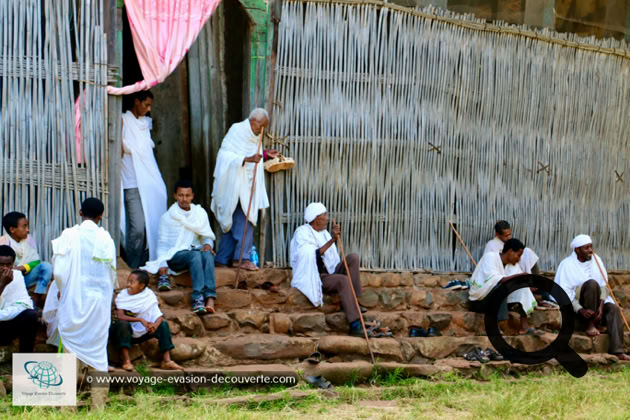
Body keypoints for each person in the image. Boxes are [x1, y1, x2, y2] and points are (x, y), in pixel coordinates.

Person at [42, 198, 117, 372]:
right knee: (98, 351)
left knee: (70, 346)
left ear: (80, 213)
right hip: (99, 302)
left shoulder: (69, 235)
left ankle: (69, 398)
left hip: (74, 300)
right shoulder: (107, 239)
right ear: (101, 216)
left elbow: (60, 272)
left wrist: (62, 290)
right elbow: (111, 274)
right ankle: (99, 398)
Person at [211, 108, 279, 271]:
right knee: (241, 221)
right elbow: (225, 155)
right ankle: (241, 259)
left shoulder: (255, 136)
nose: (262, 131)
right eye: (261, 126)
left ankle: (222, 259)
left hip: (247, 186)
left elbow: (251, 153)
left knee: (235, 222)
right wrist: (247, 159)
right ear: (253, 121)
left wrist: (264, 153)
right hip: (232, 185)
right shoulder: (237, 130)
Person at [290, 203, 371, 337]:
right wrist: (333, 239)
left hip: (331, 272)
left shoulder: (324, 233)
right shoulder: (302, 232)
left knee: (353, 258)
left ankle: (354, 302)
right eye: (324, 215)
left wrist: (332, 238)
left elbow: (331, 259)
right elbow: (311, 255)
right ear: (316, 219)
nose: (327, 218)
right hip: (317, 276)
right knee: (343, 281)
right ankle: (355, 325)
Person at [143, 180, 217, 314]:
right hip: (176, 255)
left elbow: (207, 235)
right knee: (195, 255)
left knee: (207, 253)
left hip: (196, 250)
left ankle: (210, 298)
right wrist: (163, 263)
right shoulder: (167, 217)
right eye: (181, 195)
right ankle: (198, 298)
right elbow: (163, 244)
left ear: (193, 196)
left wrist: (207, 244)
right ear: (175, 196)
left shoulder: (200, 213)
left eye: (187, 195)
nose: (184, 199)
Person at [554, 234, 630, 360]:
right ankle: (590, 325)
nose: (590, 250)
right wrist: (580, 309)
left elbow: (604, 286)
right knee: (591, 284)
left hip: (596, 309)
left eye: (591, 247)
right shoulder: (566, 265)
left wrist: (600, 307)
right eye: (586, 248)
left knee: (613, 308)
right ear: (577, 250)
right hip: (578, 313)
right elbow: (564, 294)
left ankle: (618, 351)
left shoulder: (596, 260)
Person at [121, 90, 167, 268]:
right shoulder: (123, 121)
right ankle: (133, 267)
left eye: (150, 106)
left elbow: (147, 156)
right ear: (136, 101)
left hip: (149, 184)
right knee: (137, 229)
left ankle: (143, 267)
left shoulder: (145, 124)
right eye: (146, 105)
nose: (148, 110)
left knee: (150, 227)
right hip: (131, 183)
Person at [111, 270, 182, 371]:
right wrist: (139, 319)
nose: (128, 285)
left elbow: (158, 316)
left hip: (144, 331)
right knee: (122, 324)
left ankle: (166, 361)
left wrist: (155, 325)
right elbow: (120, 316)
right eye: (128, 281)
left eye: (132, 282)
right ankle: (126, 361)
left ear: (141, 286)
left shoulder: (148, 295)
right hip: (126, 333)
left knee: (163, 325)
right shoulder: (123, 296)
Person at [469, 238, 543, 335]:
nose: (519, 259)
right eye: (518, 255)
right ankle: (502, 327)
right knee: (502, 287)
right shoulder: (490, 257)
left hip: (497, 302)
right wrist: (521, 276)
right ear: (510, 251)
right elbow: (499, 280)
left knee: (521, 287)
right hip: (480, 302)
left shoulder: (512, 265)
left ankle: (525, 327)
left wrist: (528, 286)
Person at [483, 220, 557, 309]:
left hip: (514, 268)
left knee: (528, 252)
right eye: (506, 235)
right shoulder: (491, 245)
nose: (509, 237)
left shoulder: (511, 243)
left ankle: (536, 283)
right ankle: (536, 297)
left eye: (510, 234)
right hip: (503, 272)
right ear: (497, 234)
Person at [1, 212, 52, 308]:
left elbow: (36, 261)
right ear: (12, 229)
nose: (27, 230)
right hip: (8, 280)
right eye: (24, 226)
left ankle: (35, 301)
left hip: (26, 277)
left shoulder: (29, 240)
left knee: (47, 267)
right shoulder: (2, 242)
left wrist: (22, 268)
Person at [0, 245, 38, 353]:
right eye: (1, 264)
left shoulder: (16, 275)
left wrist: (2, 314)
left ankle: (24, 362)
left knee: (30, 316)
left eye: (9, 265)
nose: (5, 268)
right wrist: (2, 284)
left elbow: (24, 304)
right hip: (6, 317)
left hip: (6, 324)